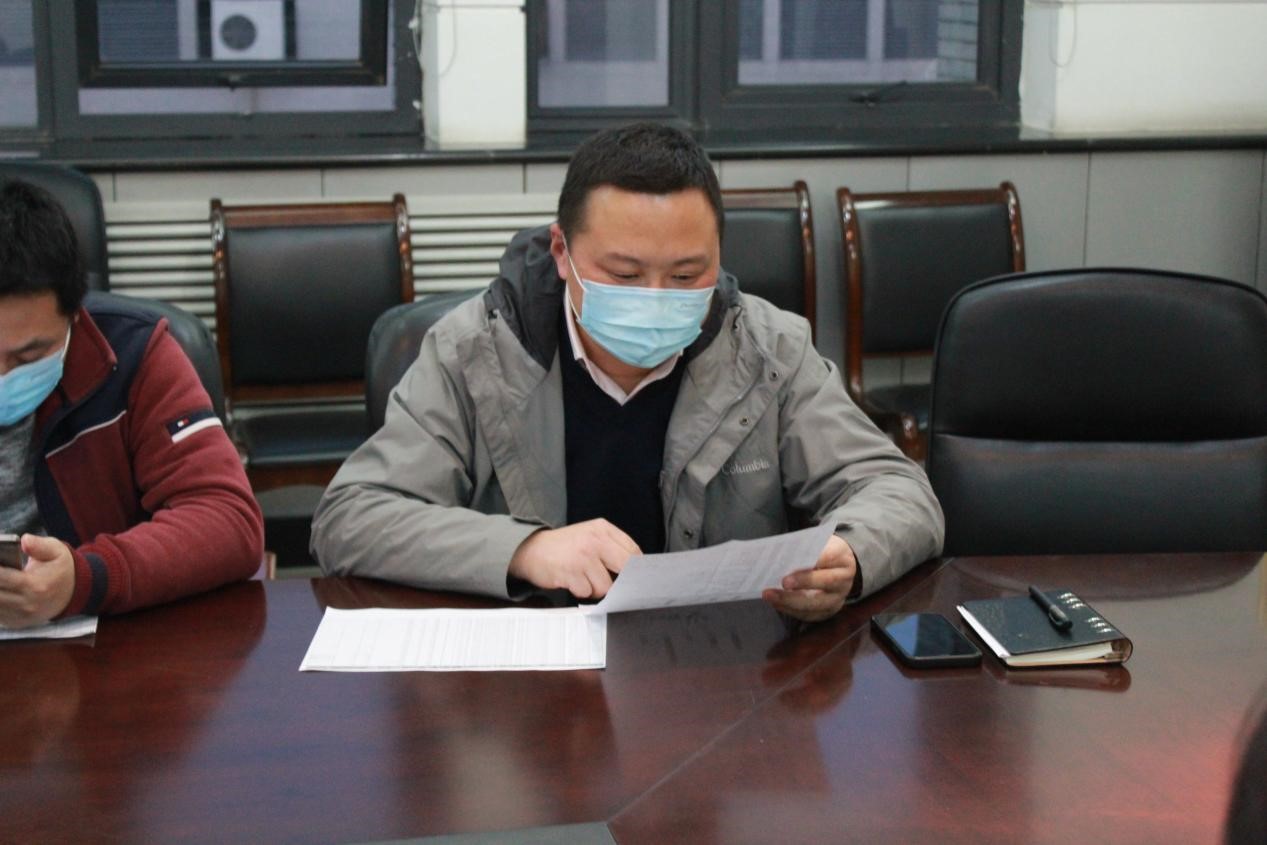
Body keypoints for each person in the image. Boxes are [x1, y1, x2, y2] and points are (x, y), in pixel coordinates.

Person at [311, 122, 943, 622]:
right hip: (532, 682)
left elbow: (902, 494)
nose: (657, 297)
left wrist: (847, 557)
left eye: (687, 274)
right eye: (624, 274)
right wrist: (525, 550)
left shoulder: (769, 349)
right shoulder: (473, 350)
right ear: (562, 252)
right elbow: (351, 518)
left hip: (716, 679)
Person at [0, 180, 263, 628]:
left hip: (99, 645)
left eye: (28, 356)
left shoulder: (132, 355)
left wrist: (84, 579)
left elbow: (228, 520)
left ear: (76, 315)